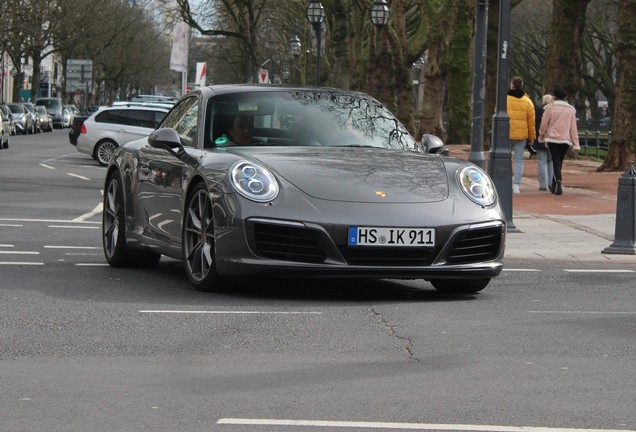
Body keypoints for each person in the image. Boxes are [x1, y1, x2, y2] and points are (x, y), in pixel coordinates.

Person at [539, 88, 580, 195]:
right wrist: (576, 143)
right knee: (559, 161)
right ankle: (554, 183)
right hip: (565, 140)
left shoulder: (549, 108)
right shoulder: (571, 110)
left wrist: (541, 135)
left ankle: (558, 182)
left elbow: (544, 124)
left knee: (555, 160)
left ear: (554, 97)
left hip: (552, 139)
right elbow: (573, 128)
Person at [507, 76, 536, 194]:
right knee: (519, 160)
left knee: (505, 159)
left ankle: (506, 181)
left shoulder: (504, 99)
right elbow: (531, 121)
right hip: (522, 135)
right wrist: (532, 137)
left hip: (507, 134)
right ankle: (516, 185)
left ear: (512, 85)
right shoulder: (527, 101)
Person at [534, 94, 554, 191]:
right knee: (551, 161)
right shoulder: (555, 111)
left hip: (540, 138)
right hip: (552, 139)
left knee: (542, 161)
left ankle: (543, 185)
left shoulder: (538, 111)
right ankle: (551, 183)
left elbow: (535, 123)